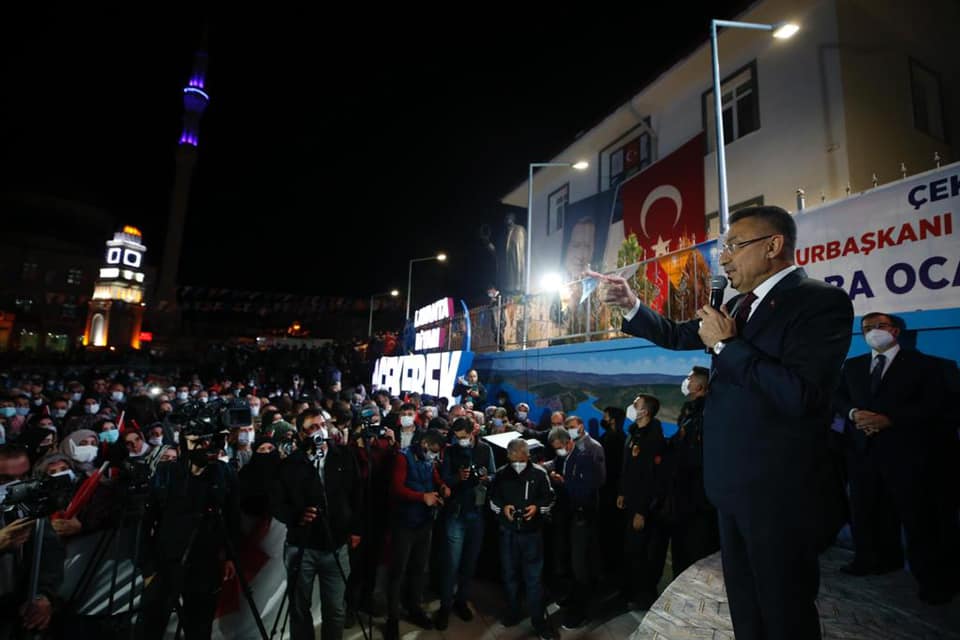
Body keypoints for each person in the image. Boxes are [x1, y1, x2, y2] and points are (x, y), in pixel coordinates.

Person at [593, 205, 854, 640]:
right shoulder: (738, 305)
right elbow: (680, 335)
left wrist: (728, 346)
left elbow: (801, 395)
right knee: (745, 603)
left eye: (734, 245)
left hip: (777, 491)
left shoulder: (819, 302)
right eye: (723, 248)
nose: (725, 257)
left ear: (773, 246)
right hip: (731, 487)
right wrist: (633, 304)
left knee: (783, 606)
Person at [833, 312, 953, 604]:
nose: (873, 331)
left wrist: (891, 419)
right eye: (867, 328)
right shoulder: (852, 366)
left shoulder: (926, 365)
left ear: (896, 331)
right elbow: (837, 398)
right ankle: (871, 560)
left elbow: (940, 405)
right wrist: (853, 414)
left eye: (880, 326)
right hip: (862, 453)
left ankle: (932, 580)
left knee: (918, 518)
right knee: (864, 511)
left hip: (908, 455)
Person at [271, 409, 363, 640]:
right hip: (302, 546)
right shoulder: (292, 463)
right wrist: (296, 516)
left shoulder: (344, 455)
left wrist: (356, 529)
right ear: (302, 435)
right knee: (299, 609)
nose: (319, 430)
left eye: (322, 424)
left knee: (335, 608)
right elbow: (277, 503)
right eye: (312, 427)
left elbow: (357, 494)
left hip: (337, 545)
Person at [384, 429, 450, 640]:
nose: (434, 455)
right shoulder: (403, 458)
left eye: (437, 453)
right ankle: (392, 618)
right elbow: (396, 488)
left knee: (419, 569)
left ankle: (414, 607)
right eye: (433, 451)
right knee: (398, 572)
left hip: (424, 523)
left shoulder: (429, 460)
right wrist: (422, 497)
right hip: (404, 523)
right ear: (423, 443)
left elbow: (434, 476)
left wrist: (441, 486)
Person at [489, 438, 556, 639]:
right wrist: (504, 509)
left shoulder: (539, 473)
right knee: (510, 576)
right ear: (508, 455)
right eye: (514, 455)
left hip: (532, 534)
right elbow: (492, 498)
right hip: (508, 533)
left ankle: (538, 621)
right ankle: (513, 612)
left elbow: (550, 497)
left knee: (534, 579)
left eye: (522, 455)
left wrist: (537, 508)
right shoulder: (501, 474)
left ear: (528, 455)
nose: (518, 459)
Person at [434, 418, 495, 629]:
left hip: (476, 512)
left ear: (472, 432)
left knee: (469, 562)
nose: (460, 440)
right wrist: (457, 478)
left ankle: (461, 600)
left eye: (463, 437)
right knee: (451, 563)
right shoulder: (450, 451)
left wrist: (484, 478)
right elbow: (444, 480)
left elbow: (493, 475)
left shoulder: (485, 449)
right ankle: (445, 605)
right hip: (456, 513)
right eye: (457, 437)